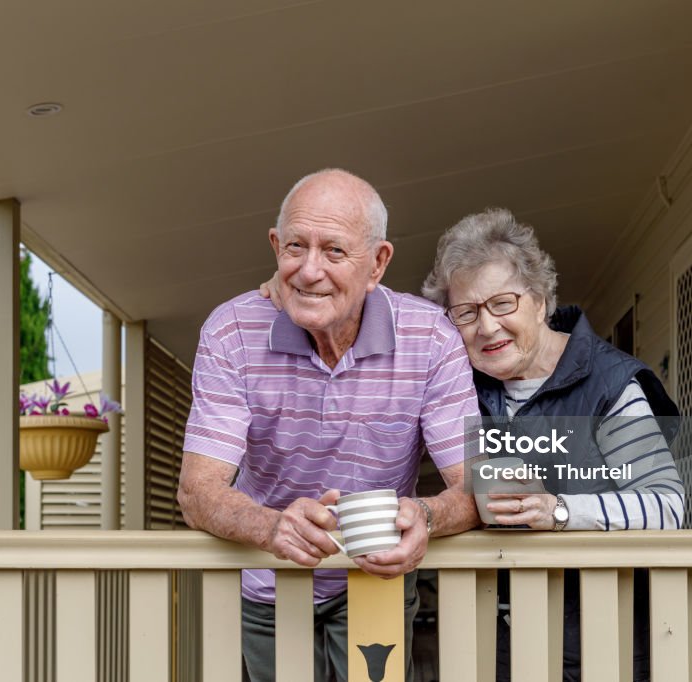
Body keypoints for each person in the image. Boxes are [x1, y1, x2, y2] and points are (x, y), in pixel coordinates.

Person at [177, 168, 480, 682]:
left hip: (375, 576)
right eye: (296, 246)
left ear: (378, 263)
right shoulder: (231, 330)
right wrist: (270, 526)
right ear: (275, 246)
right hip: (268, 581)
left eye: (334, 251)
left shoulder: (430, 338)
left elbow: (476, 485)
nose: (309, 271)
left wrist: (424, 518)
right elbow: (196, 492)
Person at [420, 208, 684, 681]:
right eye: (466, 312)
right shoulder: (464, 389)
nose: (486, 327)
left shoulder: (609, 382)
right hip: (504, 640)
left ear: (539, 301)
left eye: (503, 303)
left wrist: (560, 512)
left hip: (609, 641)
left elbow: (666, 506)